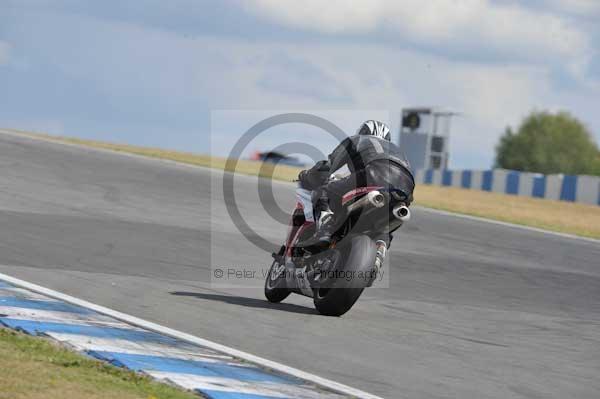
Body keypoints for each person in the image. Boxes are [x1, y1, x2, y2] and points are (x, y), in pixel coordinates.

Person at [298, 120, 415, 249]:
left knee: (322, 192)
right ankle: (380, 250)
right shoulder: (397, 151)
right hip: (405, 187)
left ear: (362, 132)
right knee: (388, 220)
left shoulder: (356, 140)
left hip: (373, 177)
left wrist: (308, 175)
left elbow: (327, 167)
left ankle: (324, 232)